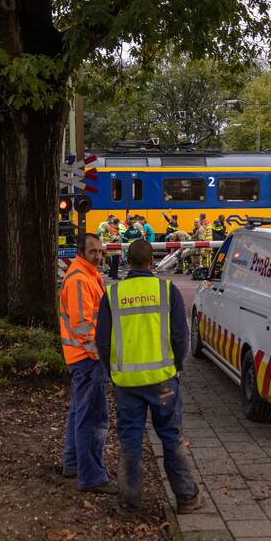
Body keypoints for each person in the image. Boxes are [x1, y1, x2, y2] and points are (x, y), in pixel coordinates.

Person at [94, 240, 205, 514]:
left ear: (127, 261)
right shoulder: (167, 290)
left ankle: (130, 501)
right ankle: (187, 498)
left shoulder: (113, 294)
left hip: (127, 383)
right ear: (151, 262)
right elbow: (180, 335)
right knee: (171, 437)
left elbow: (103, 341)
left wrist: (112, 372)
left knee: (130, 441)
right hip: (163, 381)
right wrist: (177, 366)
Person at [59, 233, 116, 495]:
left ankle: (74, 464)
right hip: (87, 359)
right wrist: (99, 355)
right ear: (81, 252)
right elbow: (83, 327)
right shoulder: (81, 279)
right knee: (93, 418)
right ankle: (92, 477)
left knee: (80, 413)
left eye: (101, 251)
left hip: (81, 357)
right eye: (93, 251)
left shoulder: (88, 275)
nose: (98, 256)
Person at [97, 214, 122, 279]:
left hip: (107, 244)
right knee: (115, 260)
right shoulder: (112, 228)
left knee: (112, 259)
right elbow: (114, 238)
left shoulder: (106, 226)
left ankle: (111, 273)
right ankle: (114, 275)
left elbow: (100, 234)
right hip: (112, 245)